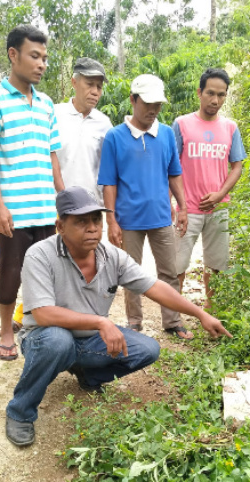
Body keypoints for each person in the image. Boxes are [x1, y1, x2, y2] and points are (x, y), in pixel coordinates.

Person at [4, 187, 231, 446]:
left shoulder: (112, 256)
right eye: (81, 221)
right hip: (43, 337)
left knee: (147, 349)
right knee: (58, 341)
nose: (92, 228)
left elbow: (155, 287)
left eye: (96, 220)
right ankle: (20, 412)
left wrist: (200, 314)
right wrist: (101, 322)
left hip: (88, 339)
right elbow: (43, 314)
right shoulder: (40, 255)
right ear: (60, 227)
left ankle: (87, 374)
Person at [0, 24, 65, 361]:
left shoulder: (46, 105)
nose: (42, 64)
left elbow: (52, 155)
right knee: (10, 274)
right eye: (35, 56)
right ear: (13, 55)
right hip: (14, 210)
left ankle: (37, 328)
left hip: (46, 209)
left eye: (45, 58)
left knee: (47, 276)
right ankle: (7, 332)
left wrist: (63, 200)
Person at [97, 74, 193, 340]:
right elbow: (109, 182)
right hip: (128, 220)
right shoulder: (115, 137)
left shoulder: (166, 134)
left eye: (157, 104)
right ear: (133, 100)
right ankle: (135, 324)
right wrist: (111, 221)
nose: (153, 110)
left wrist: (183, 207)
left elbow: (174, 173)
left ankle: (173, 321)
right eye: (148, 103)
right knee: (130, 274)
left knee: (169, 271)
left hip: (161, 216)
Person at [172, 68, 247, 309]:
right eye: (211, 93)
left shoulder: (230, 128)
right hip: (187, 209)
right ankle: (173, 317)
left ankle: (212, 312)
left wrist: (220, 194)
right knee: (177, 266)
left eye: (221, 95)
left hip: (218, 209)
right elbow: (170, 166)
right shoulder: (182, 124)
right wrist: (174, 204)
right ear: (199, 93)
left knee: (216, 265)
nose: (216, 100)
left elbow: (237, 166)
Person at [54, 58, 114, 205]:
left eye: (99, 87)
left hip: (92, 207)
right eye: (89, 84)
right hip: (57, 208)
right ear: (74, 82)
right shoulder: (54, 115)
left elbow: (110, 170)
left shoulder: (104, 124)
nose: (95, 92)